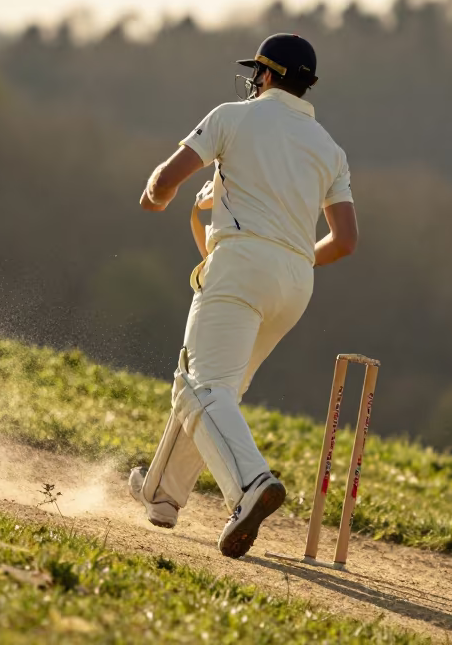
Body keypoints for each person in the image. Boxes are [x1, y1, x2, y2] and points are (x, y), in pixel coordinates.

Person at [128, 33, 359, 558]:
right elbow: (345, 241)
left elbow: (166, 179)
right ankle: (162, 496)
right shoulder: (330, 149)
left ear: (268, 75)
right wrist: (295, 257)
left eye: (258, 73)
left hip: (240, 267)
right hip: (297, 282)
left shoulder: (233, 115)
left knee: (198, 386)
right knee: (216, 391)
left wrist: (154, 197)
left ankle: (251, 485)